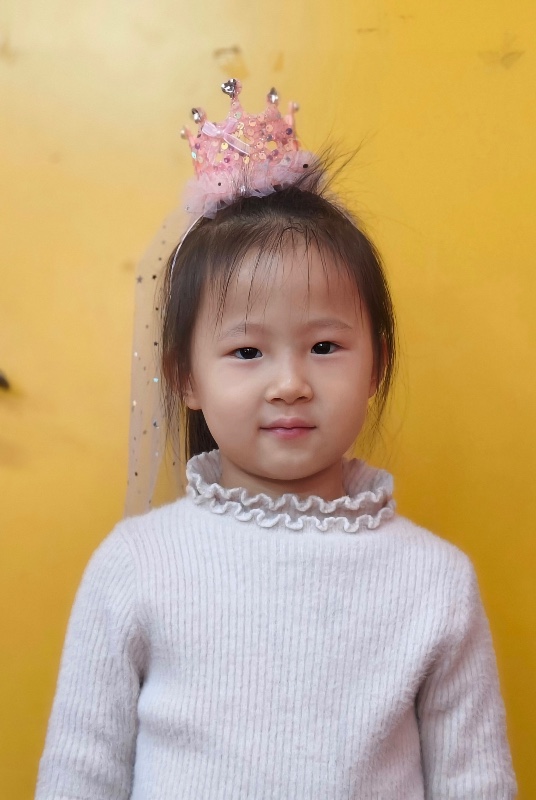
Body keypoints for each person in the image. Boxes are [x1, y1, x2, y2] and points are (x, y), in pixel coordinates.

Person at [35, 80, 517, 799]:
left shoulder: (436, 582)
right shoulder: (136, 565)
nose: (289, 383)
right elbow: (81, 772)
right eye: (247, 352)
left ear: (377, 364)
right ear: (185, 377)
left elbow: (475, 781)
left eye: (324, 347)